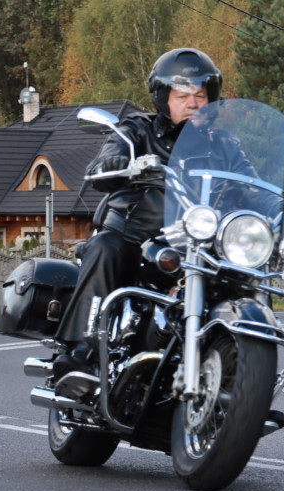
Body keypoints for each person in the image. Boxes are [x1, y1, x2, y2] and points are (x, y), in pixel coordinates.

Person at [51, 47, 226, 378]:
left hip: (197, 249)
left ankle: (241, 371)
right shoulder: (138, 130)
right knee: (105, 248)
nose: (193, 103)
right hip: (137, 241)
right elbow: (100, 166)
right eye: (183, 95)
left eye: (201, 95)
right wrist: (118, 164)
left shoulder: (224, 145)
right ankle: (82, 350)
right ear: (164, 98)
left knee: (241, 276)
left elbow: (252, 185)